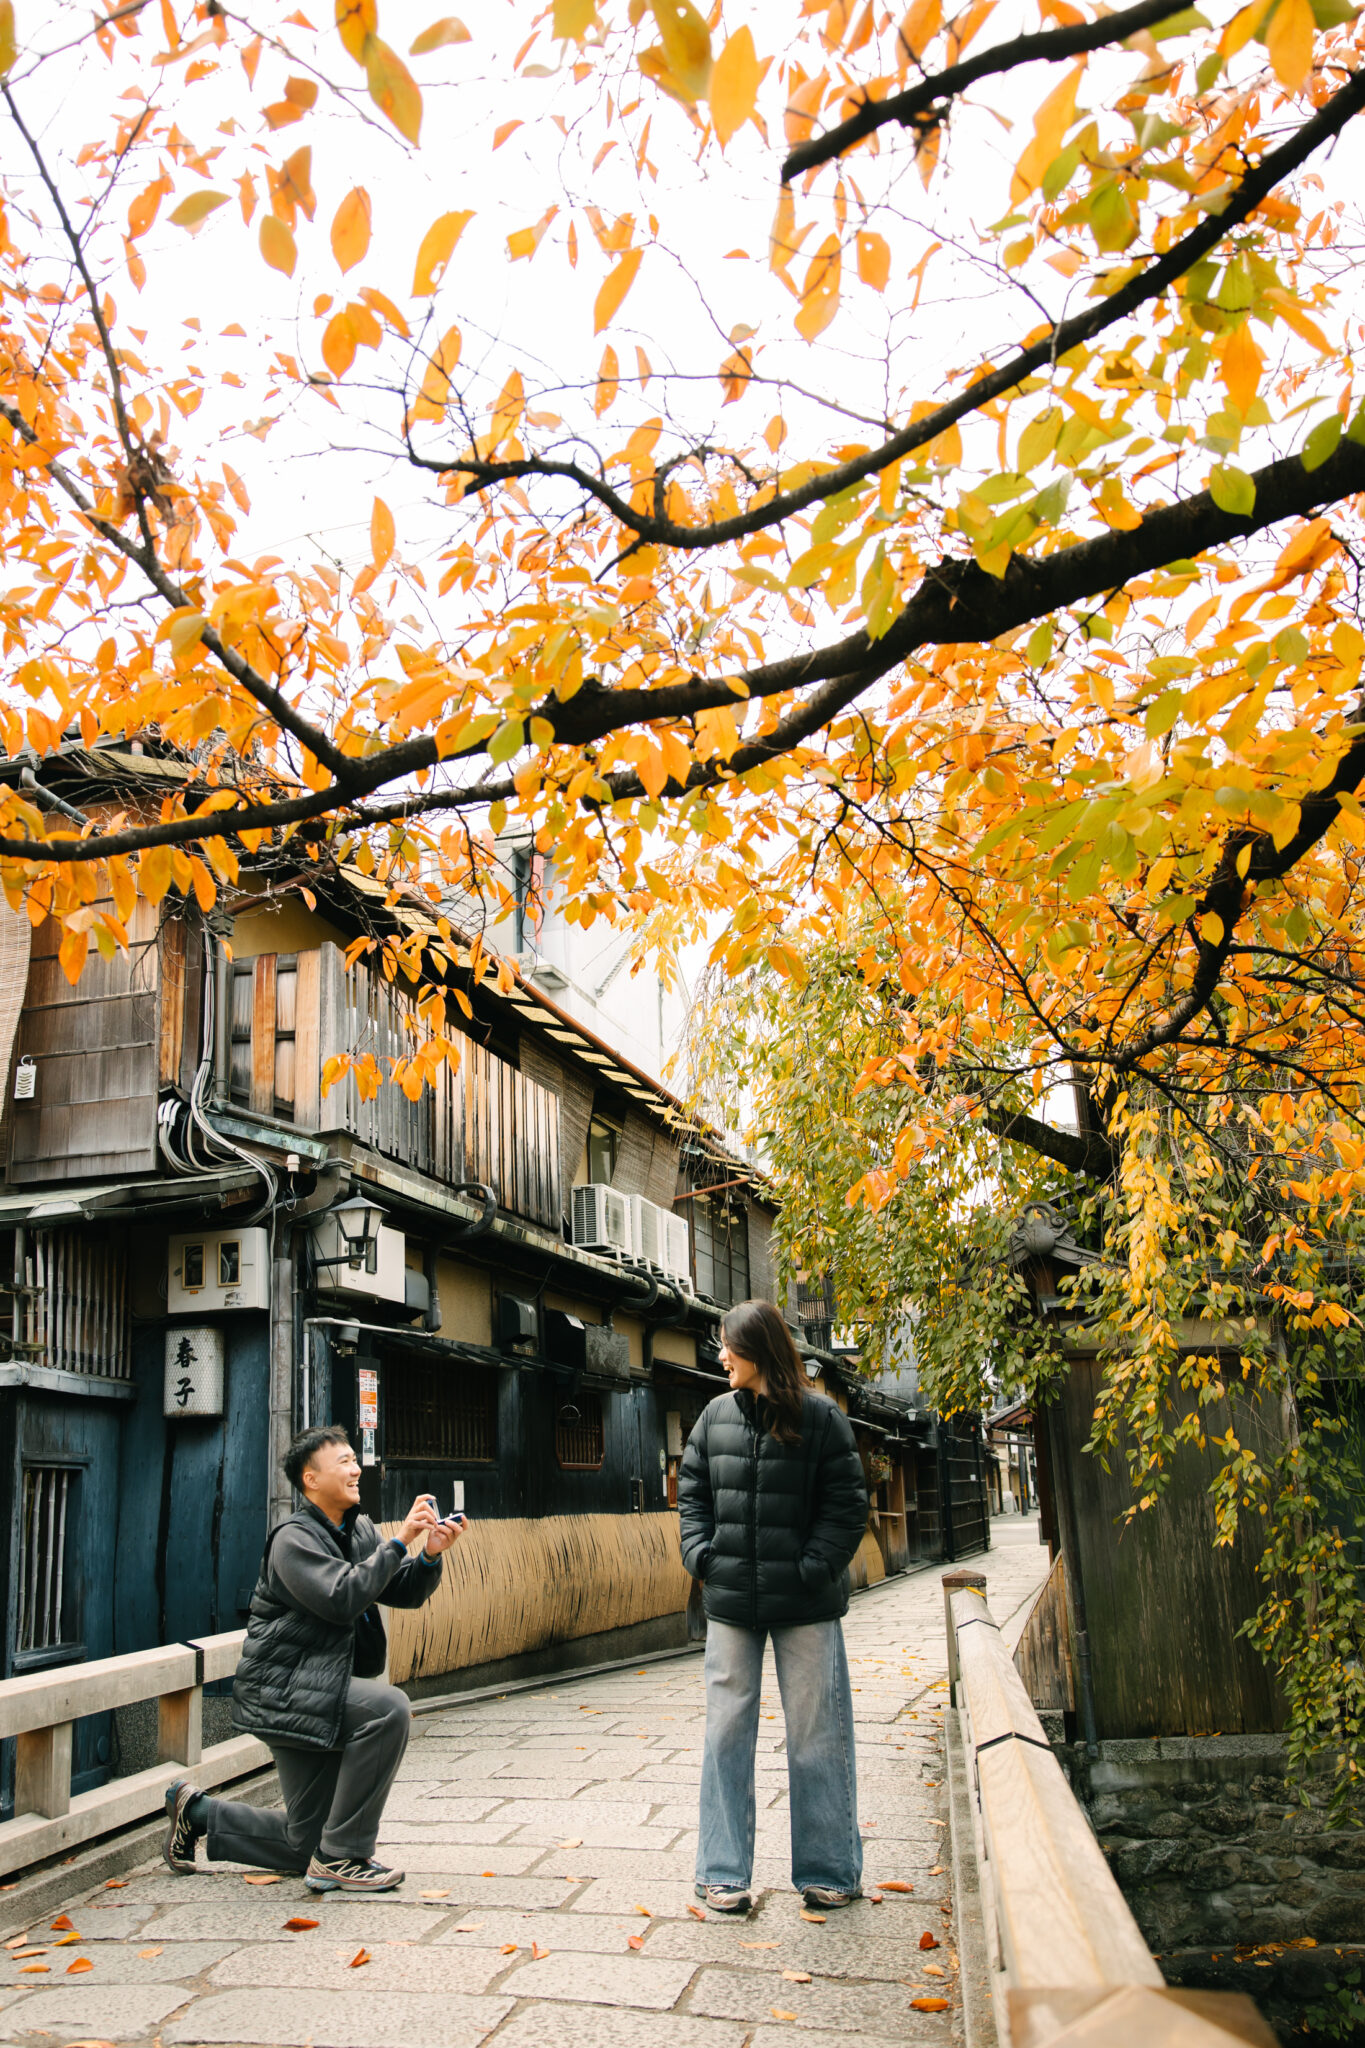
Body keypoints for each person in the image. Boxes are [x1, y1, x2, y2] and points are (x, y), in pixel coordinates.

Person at [163, 1423, 463, 1893]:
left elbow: (394, 1588)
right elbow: (343, 1597)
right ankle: (343, 1857)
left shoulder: (359, 1529)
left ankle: (197, 1812)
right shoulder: (292, 1540)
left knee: (305, 1844)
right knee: (388, 1710)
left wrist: (426, 1556)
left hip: (321, 1687)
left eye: (352, 1458)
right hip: (286, 1691)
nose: (355, 1467)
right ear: (310, 1479)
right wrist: (400, 1541)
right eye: (342, 1461)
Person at [678, 1299, 869, 1916]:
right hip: (731, 1601)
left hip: (807, 1604)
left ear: (760, 1347)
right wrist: (702, 1556)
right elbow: (692, 1495)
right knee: (725, 1733)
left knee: (818, 1734)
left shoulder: (821, 1419)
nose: (722, 1354)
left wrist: (812, 1567)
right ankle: (722, 1872)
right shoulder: (712, 1418)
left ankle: (829, 1869)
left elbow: (847, 1508)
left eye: (729, 1344)